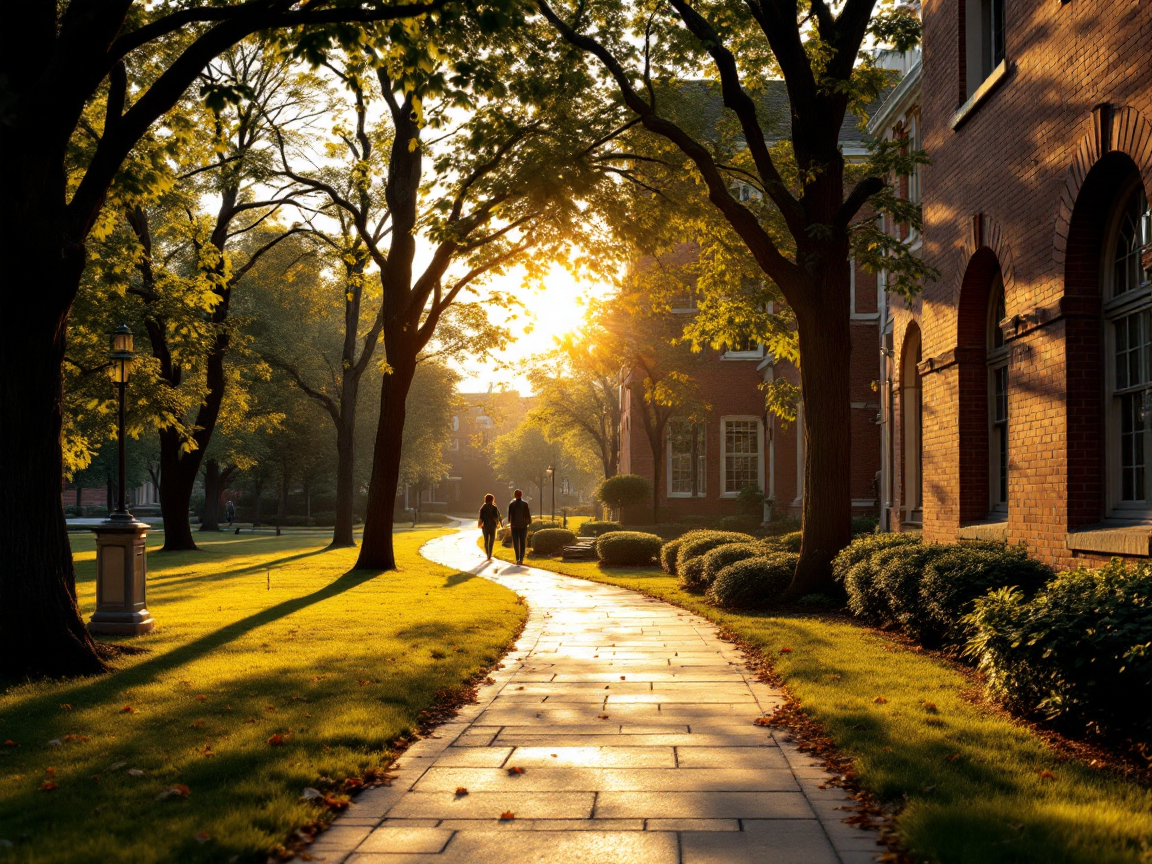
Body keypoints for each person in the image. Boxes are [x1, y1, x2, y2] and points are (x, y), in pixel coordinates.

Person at [506, 489, 532, 564]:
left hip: (514, 526)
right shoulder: (525, 504)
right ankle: (521, 557)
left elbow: (509, 516)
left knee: (516, 542)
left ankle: (517, 557)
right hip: (523, 525)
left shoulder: (512, 504)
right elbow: (528, 515)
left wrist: (511, 523)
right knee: (522, 542)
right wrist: (528, 522)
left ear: (515, 495)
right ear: (521, 495)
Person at [478, 494, 503, 559]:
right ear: (492, 500)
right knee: (491, 540)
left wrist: (480, 524)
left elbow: (481, 518)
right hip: (492, 526)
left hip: (485, 526)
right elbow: (497, 517)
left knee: (486, 540)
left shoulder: (483, 507)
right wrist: (498, 523)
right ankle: (490, 553)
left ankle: (487, 554)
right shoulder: (494, 508)